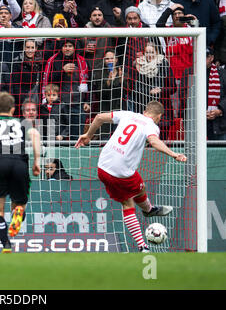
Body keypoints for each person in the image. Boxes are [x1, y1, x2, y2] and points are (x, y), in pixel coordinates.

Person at [75, 100, 187, 252]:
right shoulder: (151, 126)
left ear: (145, 111)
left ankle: (149, 210)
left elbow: (100, 117)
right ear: (159, 117)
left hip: (102, 166)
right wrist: (174, 154)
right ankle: (143, 244)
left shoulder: (128, 114)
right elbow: (154, 142)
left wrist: (88, 135)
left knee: (139, 186)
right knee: (128, 203)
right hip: (121, 172)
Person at [0, 92, 41, 253]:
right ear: (13, 110)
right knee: (19, 204)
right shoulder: (23, 123)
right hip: (20, 163)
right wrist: (36, 162)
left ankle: (6, 244)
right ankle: (17, 212)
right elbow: (35, 134)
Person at [205, 47, 226, 140]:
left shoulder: (222, 73)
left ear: (211, 58)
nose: (202, 58)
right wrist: (199, 111)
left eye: (206, 56)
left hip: (219, 123)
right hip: (197, 121)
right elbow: (184, 94)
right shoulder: (190, 72)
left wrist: (220, 110)